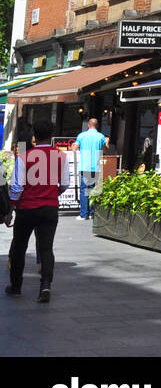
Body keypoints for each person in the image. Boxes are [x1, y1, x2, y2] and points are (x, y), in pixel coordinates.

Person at [7, 117, 69, 302]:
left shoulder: (24, 157)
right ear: (51, 135)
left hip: (27, 208)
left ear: (35, 135)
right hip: (49, 208)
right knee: (46, 248)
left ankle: (16, 286)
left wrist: (11, 208)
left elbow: (17, 187)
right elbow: (65, 183)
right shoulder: (61, 155)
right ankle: (45, 286)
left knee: (19, 247)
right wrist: (53, 193)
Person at [73, 118, 108, 220]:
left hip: (85, 166)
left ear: (88, 125)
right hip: (96, 166)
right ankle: (92, 213)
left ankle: (84, 214)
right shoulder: (101, 136)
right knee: (93, 190)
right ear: (97, 125)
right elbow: (105, 150)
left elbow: (74, 148)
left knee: (84, 190)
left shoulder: (82, 135)